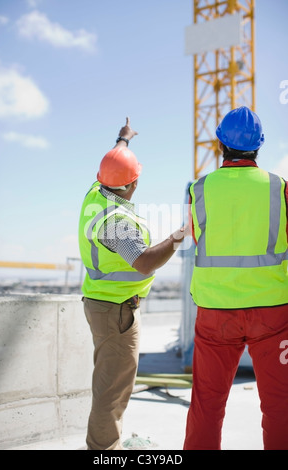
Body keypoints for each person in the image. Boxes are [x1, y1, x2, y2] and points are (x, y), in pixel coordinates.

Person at [78, 117, 190, 450]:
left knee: (112, 385)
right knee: (112, 391)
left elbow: (114, 159)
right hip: (116, 312)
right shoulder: (116, 223)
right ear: (134, 183)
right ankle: (104, 453)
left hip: (104, 304)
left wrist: (123, 139)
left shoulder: (95, 192)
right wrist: (178, 235)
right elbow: (143, 263)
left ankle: (106, 443)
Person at [183, 106, 288, 450]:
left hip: (216, 311)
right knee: (280, 405)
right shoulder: (279, 188)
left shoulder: (199, 190)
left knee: (207, 405)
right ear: (259, 146)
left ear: (220, 144)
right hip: (273, 312)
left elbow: (200, 240)